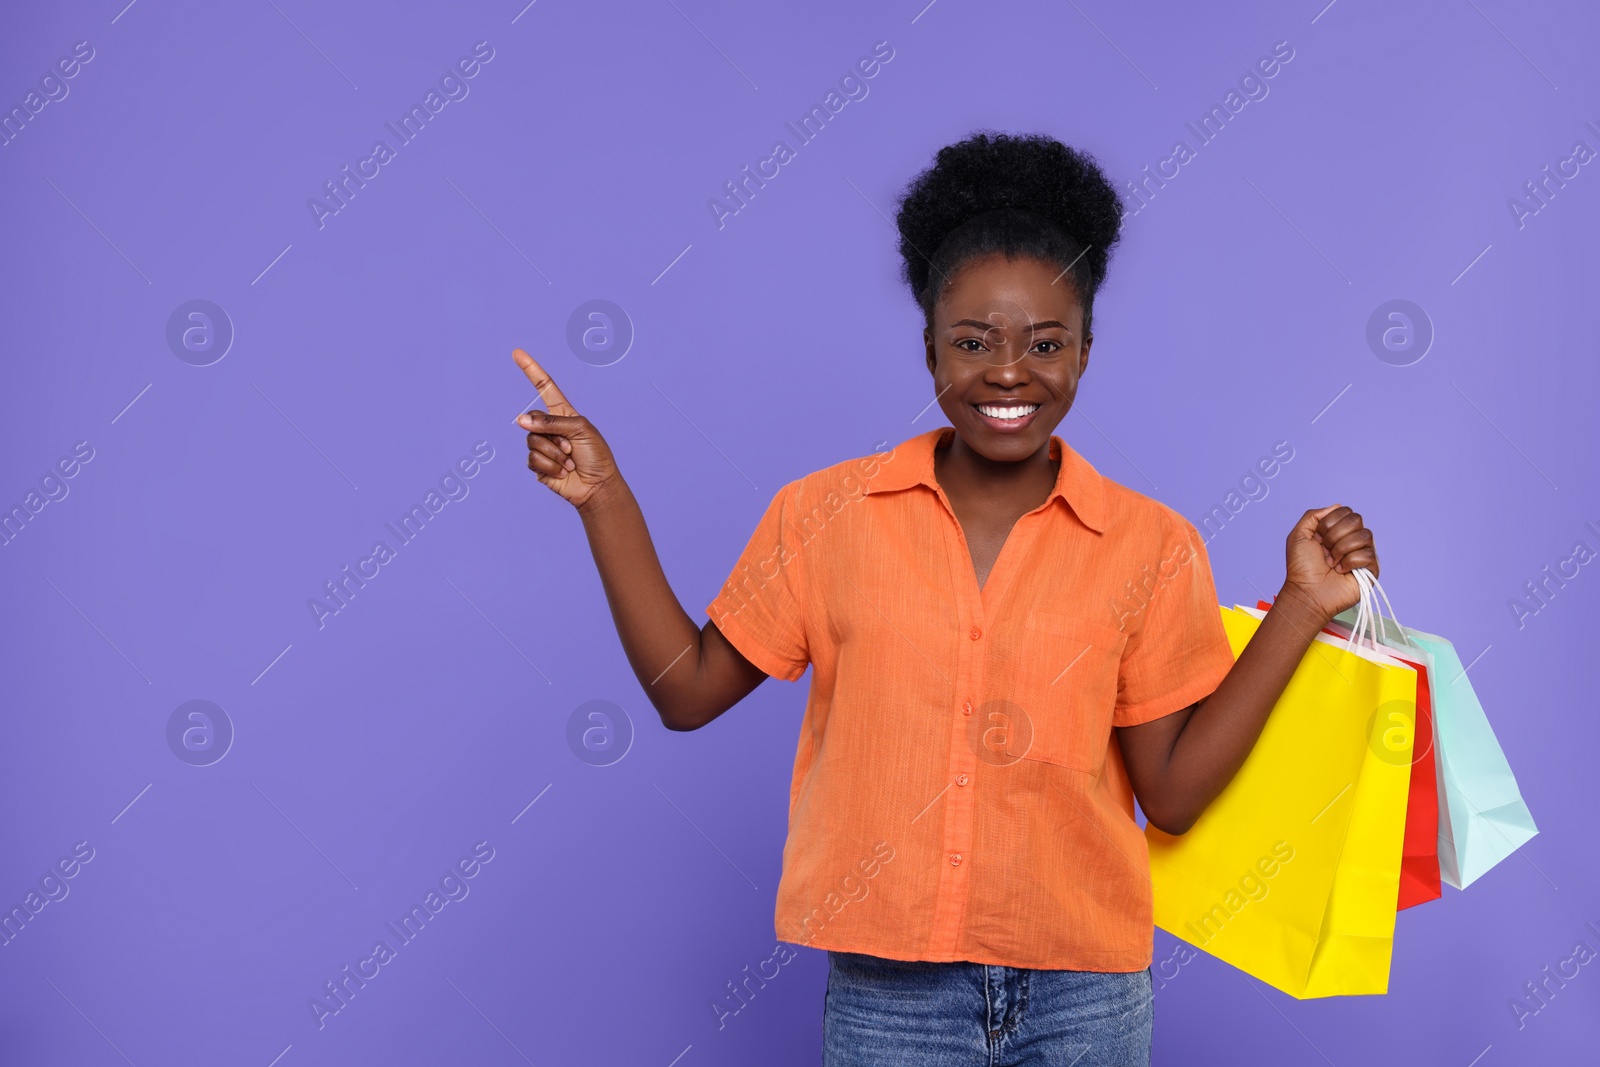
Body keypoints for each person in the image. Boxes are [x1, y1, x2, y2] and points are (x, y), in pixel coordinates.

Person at [512, 131, 1379, 1067]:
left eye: (1046, 342)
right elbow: (687, 692)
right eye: (973, 341)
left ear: (1087, 351)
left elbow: (1169, 795)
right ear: (930, 350)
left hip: (1086, 998)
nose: (1009, 372)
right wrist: (605, 498)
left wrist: (1301, 605)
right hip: (891, 999)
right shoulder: (825, 514)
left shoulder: (1153, 544)